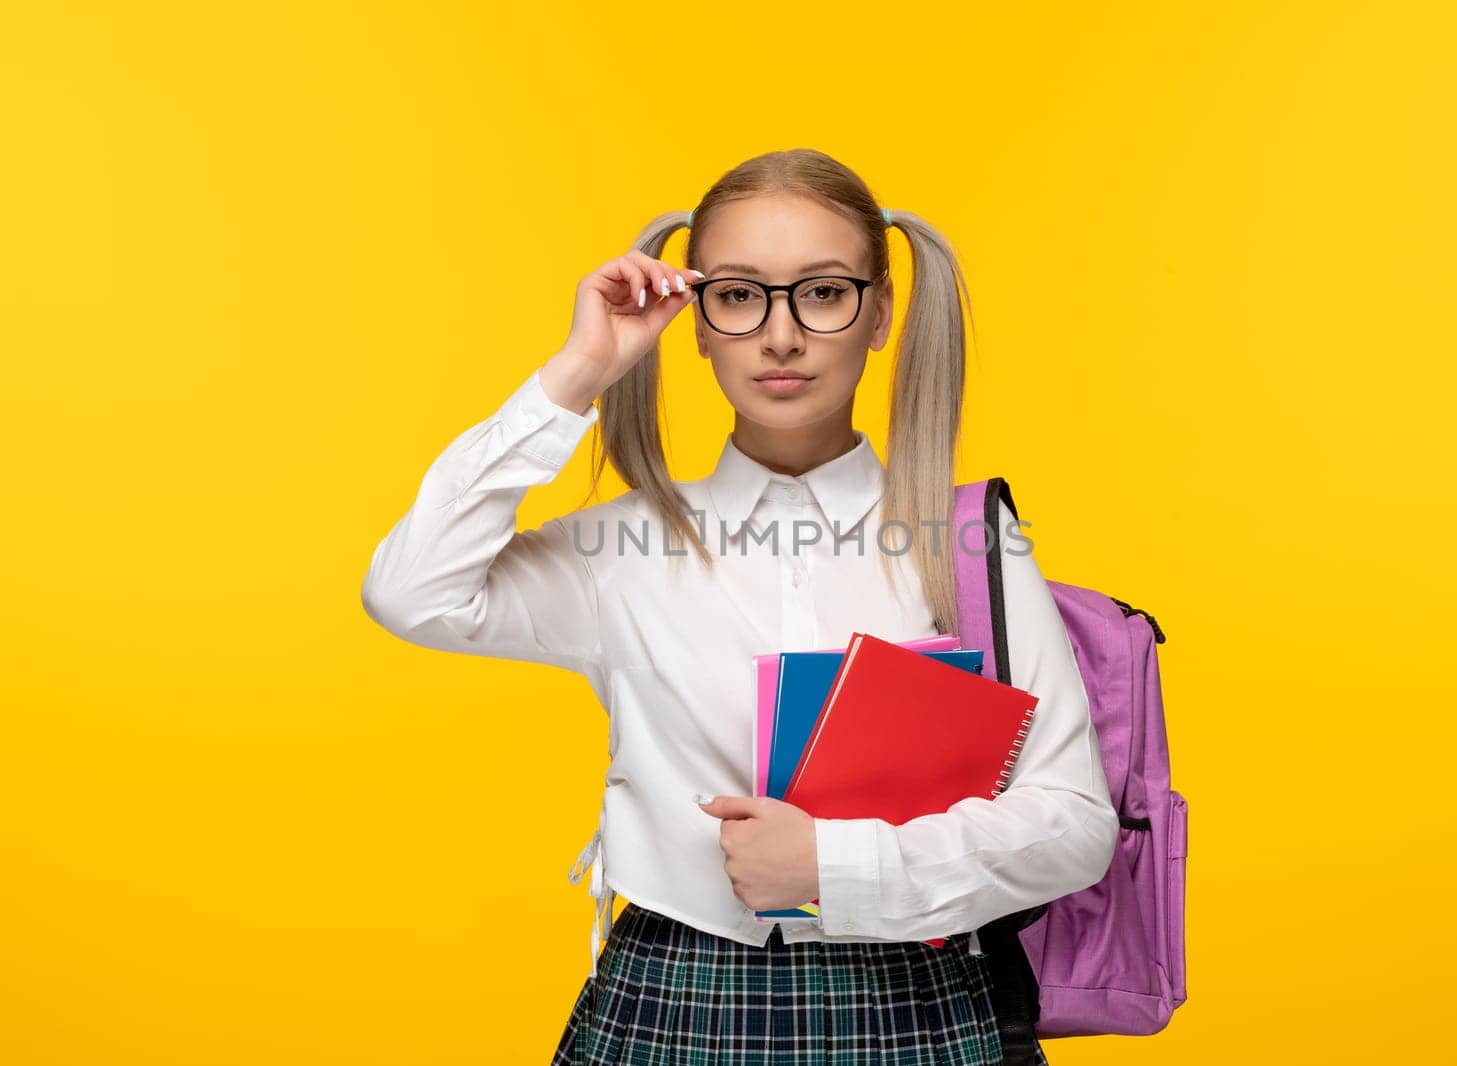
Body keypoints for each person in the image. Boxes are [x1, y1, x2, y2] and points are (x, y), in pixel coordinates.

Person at [361, 148, 1118, 1065]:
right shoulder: (621, 551)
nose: (782, 335)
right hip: (673, 996)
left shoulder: (970, 542)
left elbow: (1075, 825)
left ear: (879, 314)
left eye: (824, 292)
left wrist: (837, 866)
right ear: (698, 322)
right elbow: (411, 591)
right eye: (739, 295)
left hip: (914, 1001)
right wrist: (574, 374)